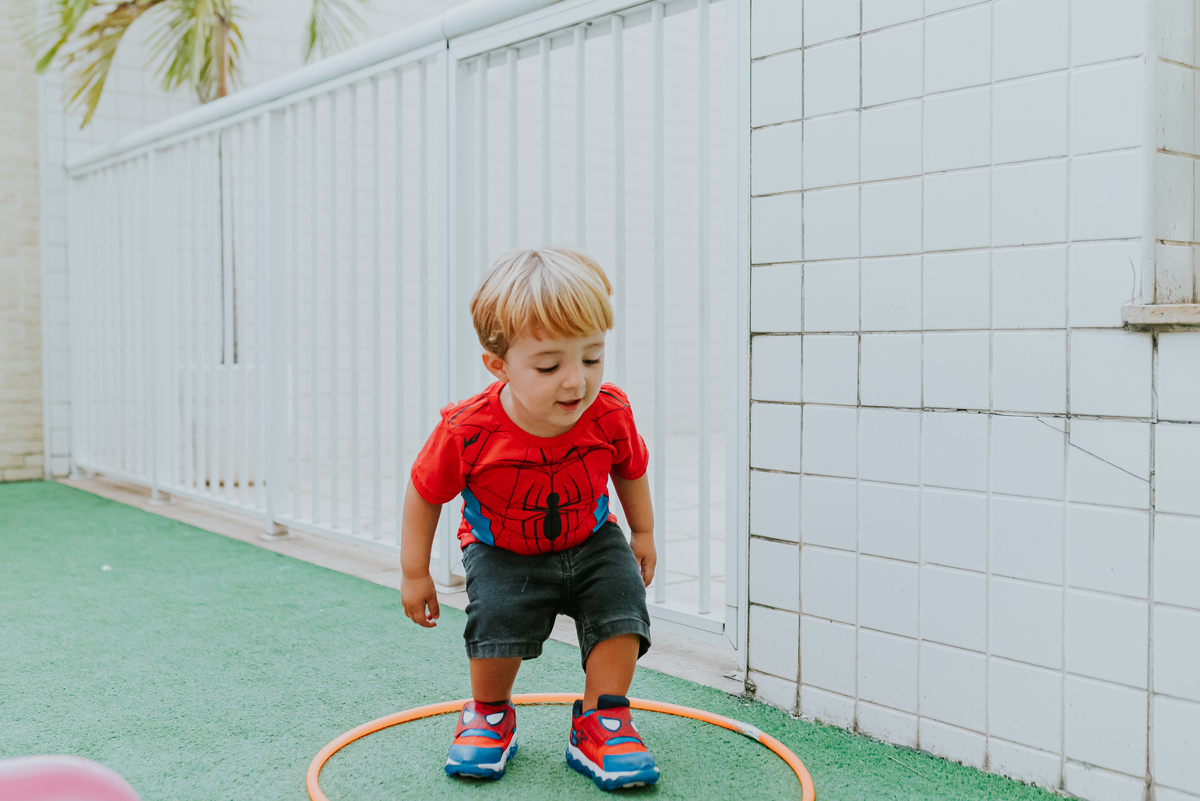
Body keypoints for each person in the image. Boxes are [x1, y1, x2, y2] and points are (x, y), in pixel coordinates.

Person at [399, 246, 660, 791]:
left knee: (621, 607)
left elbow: (630, 469)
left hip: (592, 537)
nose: (576, 382)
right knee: (497, 620)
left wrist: (643, 532)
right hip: (502, 548)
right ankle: (490, 713)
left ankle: (602, 718)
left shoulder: (609, 411)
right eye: (549, 365)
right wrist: (414, 570)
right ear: (500, 364)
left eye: (591, 357)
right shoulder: (468, 429)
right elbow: (425, 492)